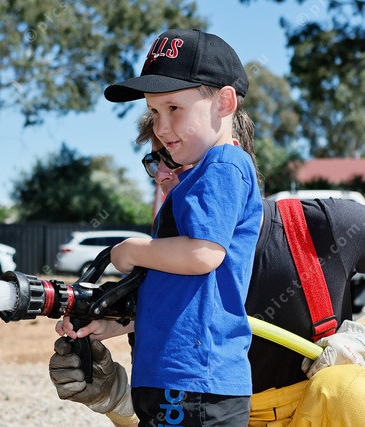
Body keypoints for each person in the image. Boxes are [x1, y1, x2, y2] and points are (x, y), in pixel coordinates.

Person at [50, 113, 365, 425]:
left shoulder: (323, 226)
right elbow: (170, 413)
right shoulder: (158, 280)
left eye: (175, 159)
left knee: (345, 391)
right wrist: (116, 400)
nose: (162, 177)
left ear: (230, 160)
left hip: (317, 410)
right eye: (156, 161)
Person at [63, 28, 264, 426]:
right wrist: (114, 324)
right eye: (155, 112)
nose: (161, 127)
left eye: (174, 108)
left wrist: (132, 249)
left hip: (195, 382)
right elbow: (180, 294)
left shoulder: (224, 164)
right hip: (172, 378)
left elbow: (203, 255)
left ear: (224, 103)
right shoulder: (194, 184)